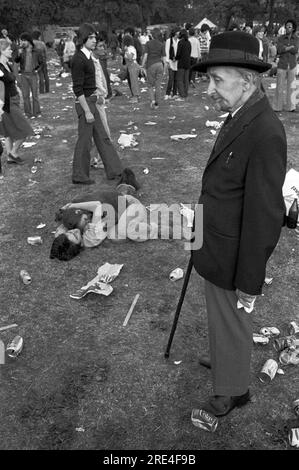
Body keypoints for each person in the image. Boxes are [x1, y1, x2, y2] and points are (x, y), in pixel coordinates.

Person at [190, 31, 286, 417]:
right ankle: (226, 360)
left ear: (246, 80)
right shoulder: (241, 114)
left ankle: (233, 391)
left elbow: (265, 216)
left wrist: (250, 283)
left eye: (218, 80)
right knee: (220, 317)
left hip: (233, 254)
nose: (211, 89)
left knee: (233, 319)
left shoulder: (265, 131)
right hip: (215, 241)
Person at [70, 23, 122, 185]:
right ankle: (79, 175)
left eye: (94, 37)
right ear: (83, 38)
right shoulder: (78, 59)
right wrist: (87, 111)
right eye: (91, 37)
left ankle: (115, 170)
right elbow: (77, 89)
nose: (94, 40)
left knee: (102, 137)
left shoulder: (88, 56)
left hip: (92, 101)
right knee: (85, 142)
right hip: (85, 104)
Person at [0, 38, 34, 165]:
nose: (11, 51)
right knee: (25, 129)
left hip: (13, 100)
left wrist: (17, 89)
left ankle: (10, 157)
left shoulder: (7, 64)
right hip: (6, 103)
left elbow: (10, 81)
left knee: (8, 131)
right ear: (2, 51)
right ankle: (13, 153)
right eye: (9, 49)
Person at [15, 32, 44, 118]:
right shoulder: (21, 51)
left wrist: (37, 70)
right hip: (23, 75)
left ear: (28, 41)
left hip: (33, 75)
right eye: (21, 41)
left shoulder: (37, 51)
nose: (22, 43)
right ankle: (28, 113)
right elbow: (16, 61)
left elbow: (42, 63)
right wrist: (19, 54)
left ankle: (37, 112)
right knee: (25, 95)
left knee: (35, 95)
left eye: (24, 41)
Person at [273, 19, 298, 112]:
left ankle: (291, 107)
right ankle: (277, 107)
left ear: (293, 28)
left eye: (290, 26)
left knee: (291, 87)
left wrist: (285, 48)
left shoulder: (296, 38)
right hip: (282, 65)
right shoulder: (280, 38)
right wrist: (289, 47)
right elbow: (279, 49)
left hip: (292, 65)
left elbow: (295, 50)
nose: (287, 28)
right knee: (279, 86)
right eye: (286, 26)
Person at [141, 28, 166, 109]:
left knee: (150, 85)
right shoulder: (161, 44)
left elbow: (145, 55)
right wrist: (165, 68)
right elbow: (164, 59)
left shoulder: (148, 43)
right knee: (158, 85)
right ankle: (157, 103)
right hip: (160, 65)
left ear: (151, 35)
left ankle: (152, 101)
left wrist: (142, 65)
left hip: (151, 65)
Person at [122, 35, 140, 103]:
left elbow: (130, 58)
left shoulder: (131, 48)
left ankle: (135, 97)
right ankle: (135, 96)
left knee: (134, 82)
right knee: (132, 82)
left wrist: (126, 50)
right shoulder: (129, 48)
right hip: (130, 66)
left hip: (133, 66)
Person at [164, 28, 180, 100]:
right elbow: (167, 51)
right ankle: (167, 93)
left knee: (176, 78)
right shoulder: (168, 41)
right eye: (177, 33)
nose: (178, 34)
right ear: (174, 33)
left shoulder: (179, 41)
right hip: (170, 61)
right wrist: (167, 62)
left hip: (177, 62)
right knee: (171, 78)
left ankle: (174, 93)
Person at [175, 29, 191, 99]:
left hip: (181, 62)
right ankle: (186, 92)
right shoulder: (189, 42)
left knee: (180, 79)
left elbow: (178, 53)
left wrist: (175, 58)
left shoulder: (180, 42)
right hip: (187, 62)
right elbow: (189, 52)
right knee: (186, 79)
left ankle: (182, 94)